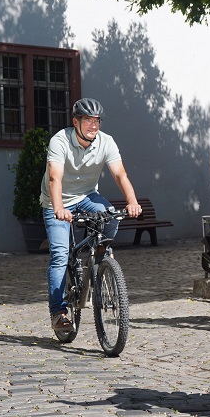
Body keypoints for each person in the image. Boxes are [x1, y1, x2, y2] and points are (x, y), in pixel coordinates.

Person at [40, 98, 142, 333]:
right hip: (57, 200)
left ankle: (100, 256)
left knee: (111, 216)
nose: (93, 126)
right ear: (75, 122)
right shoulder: (60, 141)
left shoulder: (106, 142)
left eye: (96, 121)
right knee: (60, 254)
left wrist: (132, 201)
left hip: (86, 196)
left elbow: (120, 174)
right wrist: (58, 207)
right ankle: (59, 312)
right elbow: (55, 177)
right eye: (88, 120)